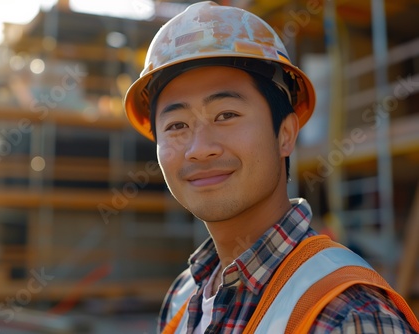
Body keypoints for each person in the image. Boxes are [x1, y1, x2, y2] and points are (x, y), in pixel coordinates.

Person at [123, 2, 419, 333]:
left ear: (285, 135)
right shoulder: (182, 298)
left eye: (226, 115)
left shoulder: (346, 314)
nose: (199, 149)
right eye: (177, 125)